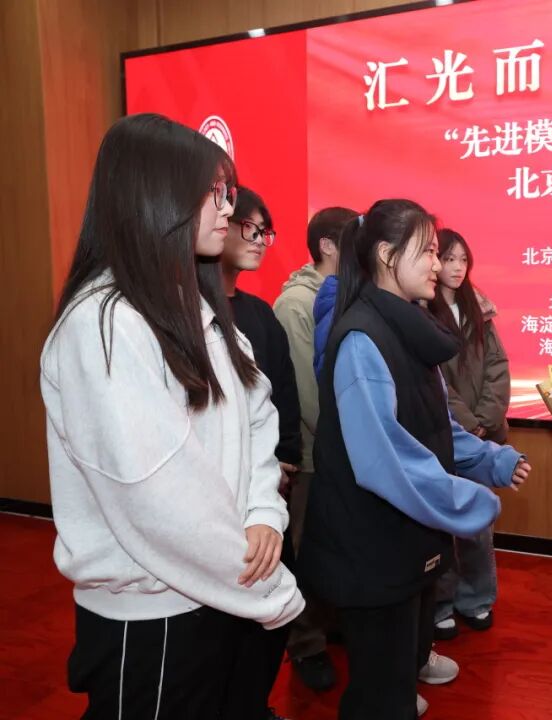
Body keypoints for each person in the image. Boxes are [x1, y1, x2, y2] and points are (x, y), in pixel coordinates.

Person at [39, 113, 304, 719]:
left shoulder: (197, 306)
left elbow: (257, 415)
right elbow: (159, 497)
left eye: (226, 192)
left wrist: (263, 512)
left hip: (219, 588)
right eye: (212, 193)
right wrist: (268, 586)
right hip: (154, 613)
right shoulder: (105, 323)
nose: (227, 208)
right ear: (153, 194)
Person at [297, 199, 531, 720]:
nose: (437, 264)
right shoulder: (362, 338)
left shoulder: (406, 328)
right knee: (380, 696)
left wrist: (488, 460)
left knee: (399, 679)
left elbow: (432, 425)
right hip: (370, 545)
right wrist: (467, 500)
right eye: (427, 251)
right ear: (386, 255)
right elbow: (385, 456)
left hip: (402, 539)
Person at [219, 185, 301, 720]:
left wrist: (285, 460)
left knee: (275, 611)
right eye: (248, 227)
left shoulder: (259, 314)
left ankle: (252, 704)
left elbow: (283, 395)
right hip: (219, 500)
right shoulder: (190, 312)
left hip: (269, 491)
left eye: (264, 231)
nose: (259, 240)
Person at [273, 205, 360, 691]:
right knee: (305, 551)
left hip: (341, 451)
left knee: (336, 547)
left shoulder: (345, 294)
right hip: (313, 453)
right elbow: (308, 394)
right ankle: (305, 644)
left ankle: (330, 624)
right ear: (328, 245)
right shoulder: (295, 304)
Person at [426, 228, 511, 639]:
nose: (457, 267)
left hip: (484, 432)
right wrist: (465, 421)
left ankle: (476, 598)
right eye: (449, 258)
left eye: (463, 260)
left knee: (478, 521)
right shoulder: (421, 309)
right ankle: (440, 602)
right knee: (442, 523)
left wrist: (486, 417)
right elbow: (435, 379)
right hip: (444, 433)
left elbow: (498, 365)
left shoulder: (479, 307)